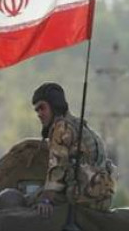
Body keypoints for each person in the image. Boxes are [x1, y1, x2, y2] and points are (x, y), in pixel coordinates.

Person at [30, 83, 116, 216]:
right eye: (37, 110)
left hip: (80, 196)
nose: (39, 114)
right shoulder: (79, 125)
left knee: (28, 198)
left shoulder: (61, 127)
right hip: (104, 199)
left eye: (42, 108)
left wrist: (45, 200)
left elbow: (57, 169)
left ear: (54, 106)